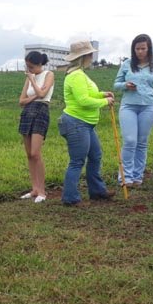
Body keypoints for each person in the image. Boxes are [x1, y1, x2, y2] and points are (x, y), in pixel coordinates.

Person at [58, 40, 115, 206]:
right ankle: (70, 198)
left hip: (86, 124)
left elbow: (89, 94)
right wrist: (105, 102)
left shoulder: (80, 74)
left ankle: (97, 190)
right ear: (83, 57)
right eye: (90, 54)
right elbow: (83, 100)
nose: (92, 57)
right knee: (77, 161)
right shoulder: (76, 76)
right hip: (77, 123)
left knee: (95, 156)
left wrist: (102, 94)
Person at [113, 34, 153, 187]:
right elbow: (116, 84)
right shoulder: (127, 64)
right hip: (128, 106)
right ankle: (125, 177)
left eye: (143, 48)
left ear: (148, 48)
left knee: (142, 142)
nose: (140, 51)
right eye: (137, 49)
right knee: (130, 140)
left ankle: (138, 176)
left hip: (149, 107)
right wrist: (125, 85)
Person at [18, 51, 55, 203]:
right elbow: (21, 101)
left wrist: (33, 81)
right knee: (28, 154)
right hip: (27, 112)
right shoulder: (29, 77)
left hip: (41, 111)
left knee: (35, 153)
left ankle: (42, 191)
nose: (29, 69)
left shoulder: (49, 74)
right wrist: (34, 96)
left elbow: (42, 93)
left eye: (31, 66)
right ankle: (34, 188)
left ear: (39, 64)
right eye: (27, 66)